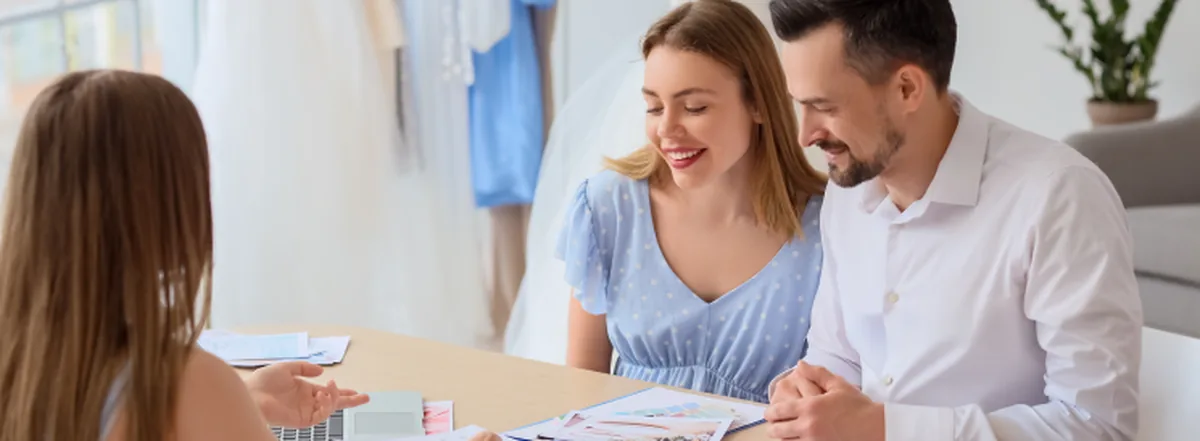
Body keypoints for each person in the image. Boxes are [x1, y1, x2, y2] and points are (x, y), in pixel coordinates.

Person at [0, 70, 495, 441]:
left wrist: (242, 406)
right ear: (167, 206)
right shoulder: (181, 384)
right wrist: (223, 405)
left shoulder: (24, 362)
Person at [760, 1, 1143, 440]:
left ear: (907, 88)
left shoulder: (1059, 196)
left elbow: (1099, 426)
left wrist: (887, 429)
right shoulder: (848, 191)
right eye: (800, 105)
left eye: (824, 106)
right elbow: (838, 356)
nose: (805, 135)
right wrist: (807, 392)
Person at [561, 0, 828, 404]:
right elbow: (580, 391)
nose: (666, 129)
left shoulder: (828, 229)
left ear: (758, 102)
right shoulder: (608, 208)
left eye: (694, 108)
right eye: (654, 107)